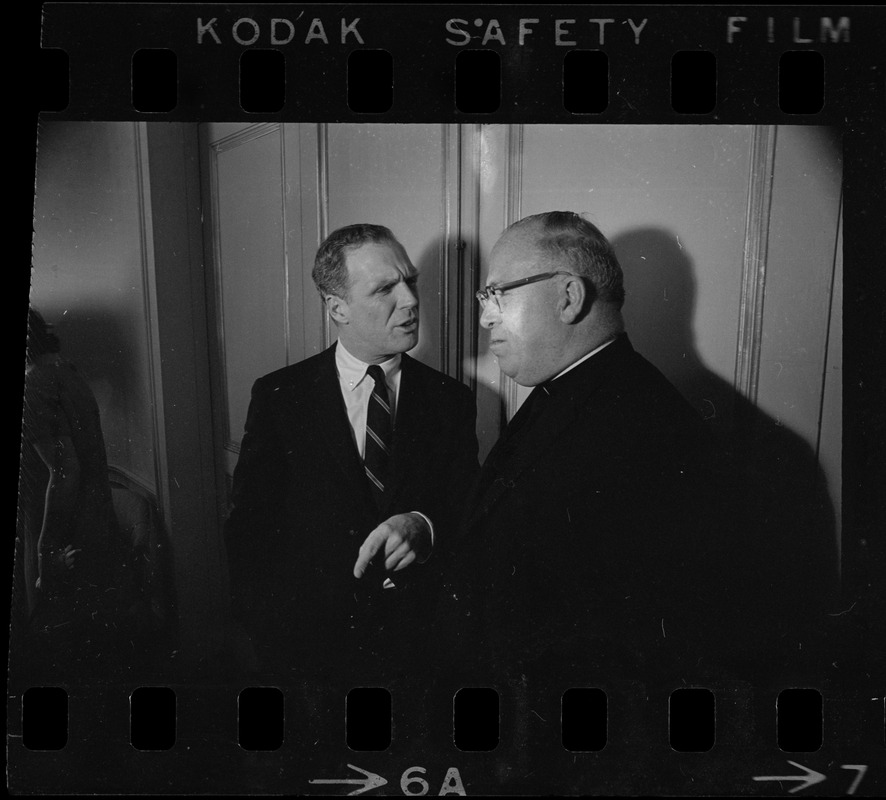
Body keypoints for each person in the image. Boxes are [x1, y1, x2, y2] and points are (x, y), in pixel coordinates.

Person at [436, 211, 741, 690]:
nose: (484, 316)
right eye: (483, 297)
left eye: (498, 294)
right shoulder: (572, 384)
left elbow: (636, 649)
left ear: (569, 297)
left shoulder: (646, 429)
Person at [224, 224, 479, 682]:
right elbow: (251, 527)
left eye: (411, 281)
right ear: (337, 307)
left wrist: (423, 525)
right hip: (310, 653)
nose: (411, 300)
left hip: (419, 649)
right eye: (385, 288)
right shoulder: (281, 397)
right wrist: (268, 634)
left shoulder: (452, 400)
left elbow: (466, 509)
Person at [13, 308, 130, 680]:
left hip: (63, 535)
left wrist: (46, 550)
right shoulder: (67, 373)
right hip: (89, 524)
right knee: (90, 643)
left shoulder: (34, 387)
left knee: (62, 649)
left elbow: (64, 471)